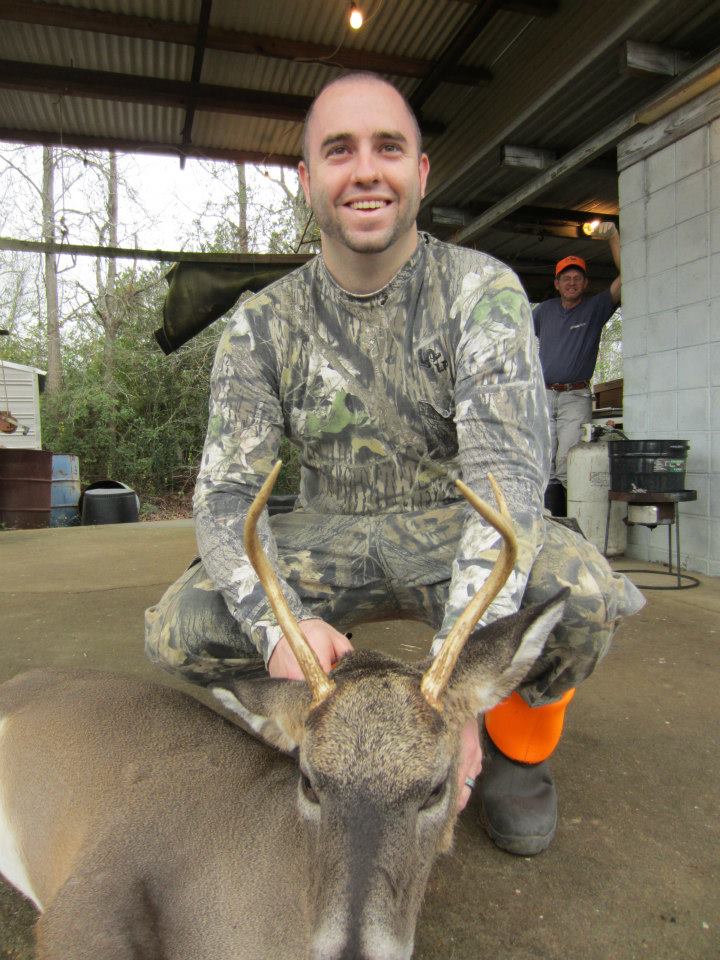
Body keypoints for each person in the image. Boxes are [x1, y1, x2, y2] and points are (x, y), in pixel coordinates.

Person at [145, 72, 643, 856]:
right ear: (307, 179)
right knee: (186, 625)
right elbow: (227, 495)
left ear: (421, 171)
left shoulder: (482, 293)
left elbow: (507, 481)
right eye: (339, 151)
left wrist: (461, 698)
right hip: (326, 532)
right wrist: (276, 630)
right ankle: (323, 729)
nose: (366, 171)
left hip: (451, 525)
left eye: (389, 147)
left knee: (580, 596)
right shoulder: (262, 324)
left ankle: (518, 747)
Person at [533, 228, 621, 516]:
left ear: (585, 283)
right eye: (566, 278)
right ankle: (550, 524)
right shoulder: (543, 311)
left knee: (567, 463)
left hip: (575, 396)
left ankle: (576, 523)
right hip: (545, 395)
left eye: (577, 278)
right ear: (557, 284)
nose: (571, 283)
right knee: (543, 461)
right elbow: (516, 336)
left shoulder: (595, 308)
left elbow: (628, 276)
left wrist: (613, 237)